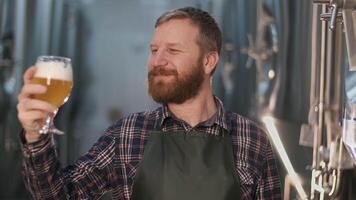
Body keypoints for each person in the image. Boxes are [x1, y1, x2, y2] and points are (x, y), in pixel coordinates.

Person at [17, 7, 281, 200]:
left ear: (209, 61)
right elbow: (56, 195)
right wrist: (35, 135)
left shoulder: (252, 140)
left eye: (173, 51)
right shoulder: (128, 134)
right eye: (154, 50)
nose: (157, 61)